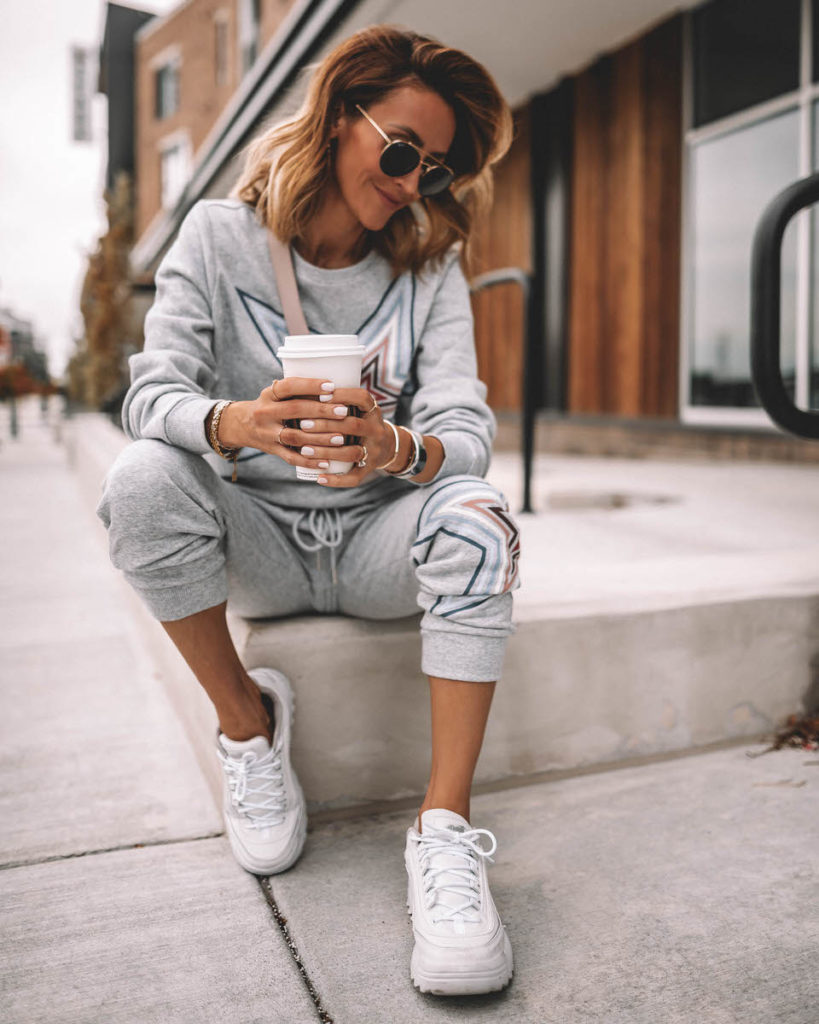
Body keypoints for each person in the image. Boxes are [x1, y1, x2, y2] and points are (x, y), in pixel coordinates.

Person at [97, 24, 521, 997]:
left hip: (379, 539)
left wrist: (398, 447)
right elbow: (148, 393)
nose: (415, 184)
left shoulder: (428, 269)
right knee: (140, 481)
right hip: (264, 542)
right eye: (403, 151)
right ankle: (248, 724)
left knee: (479, 512)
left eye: (436, 169)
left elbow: (465, 419)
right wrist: (236, 420)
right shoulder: (217, 237)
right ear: (339, 120)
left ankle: (445, 831)